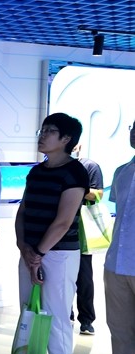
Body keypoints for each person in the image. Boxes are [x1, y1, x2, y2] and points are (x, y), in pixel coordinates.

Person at [0, 113, 89, 354]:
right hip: (31, 253)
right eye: (43, 129)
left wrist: (38, 253)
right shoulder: (37, 172)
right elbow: (23, 211)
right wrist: (24, 246)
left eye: (50, 131)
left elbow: (63, 221)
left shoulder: (74, 172)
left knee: (56, 320)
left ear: (66, 139)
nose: (42, 135)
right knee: (31, 315)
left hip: (58, 255)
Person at [82, 123, 135, 354]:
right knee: (119, 325)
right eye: (133, 127)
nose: (134, 132)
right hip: (117, 261)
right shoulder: (122, 172)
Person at [71, 143, 104, 335]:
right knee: (61, 279)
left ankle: (86, 319)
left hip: (82, 231)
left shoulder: (90, 166)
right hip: (58, 231)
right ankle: (66, 314)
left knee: (84, 278)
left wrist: (77, 189)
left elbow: (99, 194)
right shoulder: (53, 166)